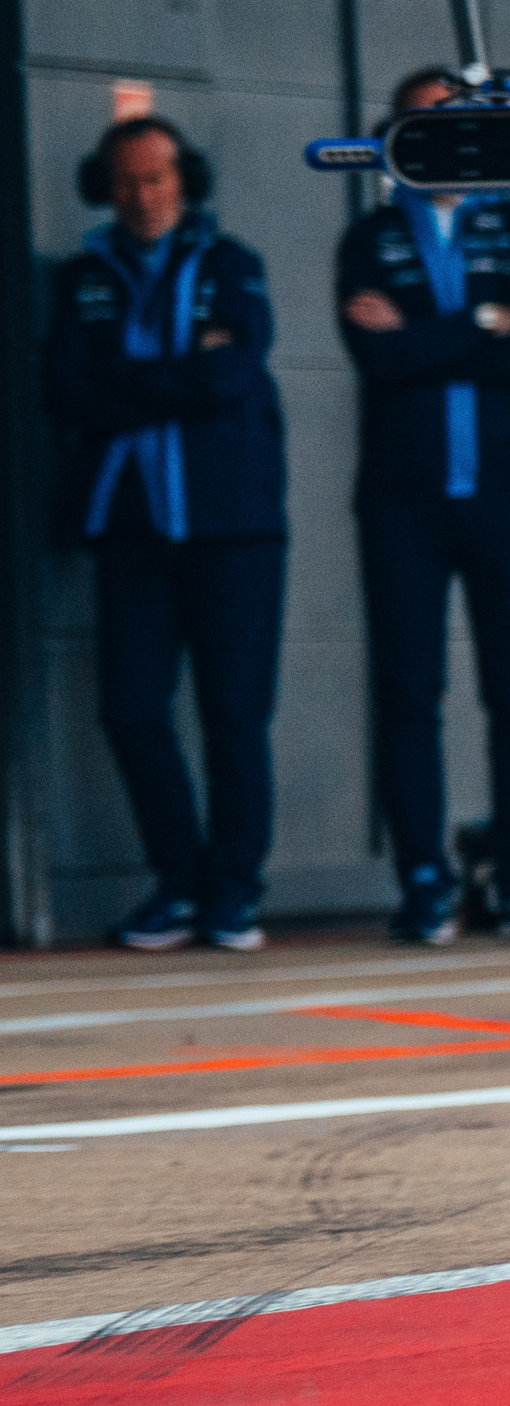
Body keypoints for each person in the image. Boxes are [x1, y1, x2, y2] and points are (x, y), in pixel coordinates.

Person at [339, 66, 510, 944]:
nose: (440, 135)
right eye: (421, 123)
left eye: (454, 121)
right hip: (403, 501)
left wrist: (421, 335)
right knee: (410, 694)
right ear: (395, 136)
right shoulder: (367, 240)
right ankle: (426, 882)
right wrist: (481, 325)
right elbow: (379, 363)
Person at [38, 112, 286, 952]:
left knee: (235, 716)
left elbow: (231, 374)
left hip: (233, 527)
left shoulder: (232, 265)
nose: (143, 196)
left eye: (157, 178)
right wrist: (176, 373)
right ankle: (178, 879)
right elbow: (66, 391)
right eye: (127, 181)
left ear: (187, 180)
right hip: (131, 527)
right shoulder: (83, 278)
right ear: (104, 187)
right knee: (132, 709)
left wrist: (129, 378)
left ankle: (233, 893)